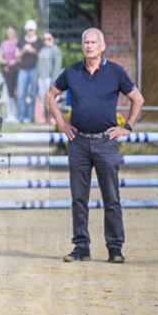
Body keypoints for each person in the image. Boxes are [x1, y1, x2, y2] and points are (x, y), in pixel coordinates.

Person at [44, 28, 145, 264]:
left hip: (106, 142)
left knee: (112, 197)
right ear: (83, 47)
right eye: (86, 42)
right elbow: (49, 95)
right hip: (78, 143)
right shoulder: (72, 72)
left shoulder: (116, 72)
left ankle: (115, 248)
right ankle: (81, 247)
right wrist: (61, 122)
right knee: (79, 198)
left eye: (93, 42)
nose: (89, 46)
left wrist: (127, 127)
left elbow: (137, 99)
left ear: (102, 46)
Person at [15, 19, 43, 123]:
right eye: (28, 29)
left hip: (34, 70)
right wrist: (23, 51)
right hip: (23, 69)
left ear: (34, 30)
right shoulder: (21, 40)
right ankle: (20, 117)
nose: (30, 31)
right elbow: (16, 55)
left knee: (33, 94)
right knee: (21, 93)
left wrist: (34, 51)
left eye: (31, 29)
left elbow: (42, 56)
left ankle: (32, 117)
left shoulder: (39, 42)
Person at [34, 30, 63, 124]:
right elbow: (38, 65)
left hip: (50, 78)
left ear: (53, 38)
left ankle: (54, 118)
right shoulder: (42, 50)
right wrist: (36, 78)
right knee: (43, 98)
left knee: (52, 99)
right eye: (45, 39)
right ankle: (45, 118)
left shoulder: (56, 50)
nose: (46, 40)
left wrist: (54, 80)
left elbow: (57, 66)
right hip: (41, 78)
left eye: (49, 38)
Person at [0, 25, 20, 122]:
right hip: (7, 71)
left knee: (18, 92)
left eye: (12, 32)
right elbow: (0, 57)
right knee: (9, 92)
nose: (10, 34)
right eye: (9, 32)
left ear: (15, 32)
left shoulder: (19, 43)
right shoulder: (4, 43)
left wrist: (15, 61)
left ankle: (19, 114)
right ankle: (11, 114)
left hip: (18, 70)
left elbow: (21, 56)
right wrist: (6, 61)